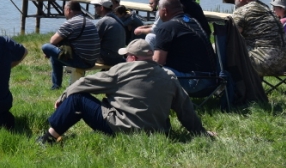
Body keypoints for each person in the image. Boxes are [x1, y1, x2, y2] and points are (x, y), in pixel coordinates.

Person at [37, 39, 212, 145]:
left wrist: (64, 95)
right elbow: (185, 109)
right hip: (157, 132)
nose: (125, 58)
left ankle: (49, 137)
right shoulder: (169, 76)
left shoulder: (122, 70)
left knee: (76, 99)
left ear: (133, 58)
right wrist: (201, 133)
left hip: (121, 128)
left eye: (126, 55)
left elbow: (85, 82)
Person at [152, 0, 218, 95]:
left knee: (148, 69)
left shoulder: (166, 28)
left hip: (194, 83)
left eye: (158, 9)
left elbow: (157, 62)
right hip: (213, 82)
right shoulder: (193, 22)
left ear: (164, 11)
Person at [228, 0, 286, 77]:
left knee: (221, 50)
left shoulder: (242, 11)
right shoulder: (267, 9)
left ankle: (228, 88)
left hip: (265, 64)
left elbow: (229, 35)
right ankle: (251, 88)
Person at [41, 0, 100, 89]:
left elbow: (52, 41)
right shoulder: (89, 21)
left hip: (82, 61)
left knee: (46, 47)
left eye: (64, 10)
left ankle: (56, 85)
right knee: (55, 56)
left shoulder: (71, 23)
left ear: (68, 10)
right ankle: (56, 85)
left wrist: (48, 52)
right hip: (92, 60)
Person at [93, 0, 126, 66]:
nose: (94, 8)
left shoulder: (104, 21)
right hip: (118, 57)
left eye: (96, 6)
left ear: (102, 8)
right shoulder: (118, 19)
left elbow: (92, 40)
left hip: (107, 59)